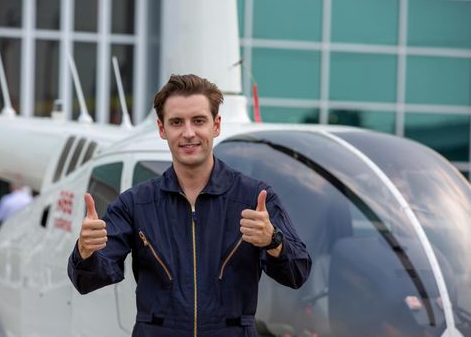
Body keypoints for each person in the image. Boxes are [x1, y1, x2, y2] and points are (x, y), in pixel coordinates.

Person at [68, 74, 312, 336]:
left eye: (198, 121)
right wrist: (85, 251)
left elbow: (297, 272)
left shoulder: (255, 199)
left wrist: (273, 242)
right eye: (176, 122)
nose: (188, 133)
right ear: (162, 129)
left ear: (216, 125)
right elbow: (87, 280)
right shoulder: (136, 203)